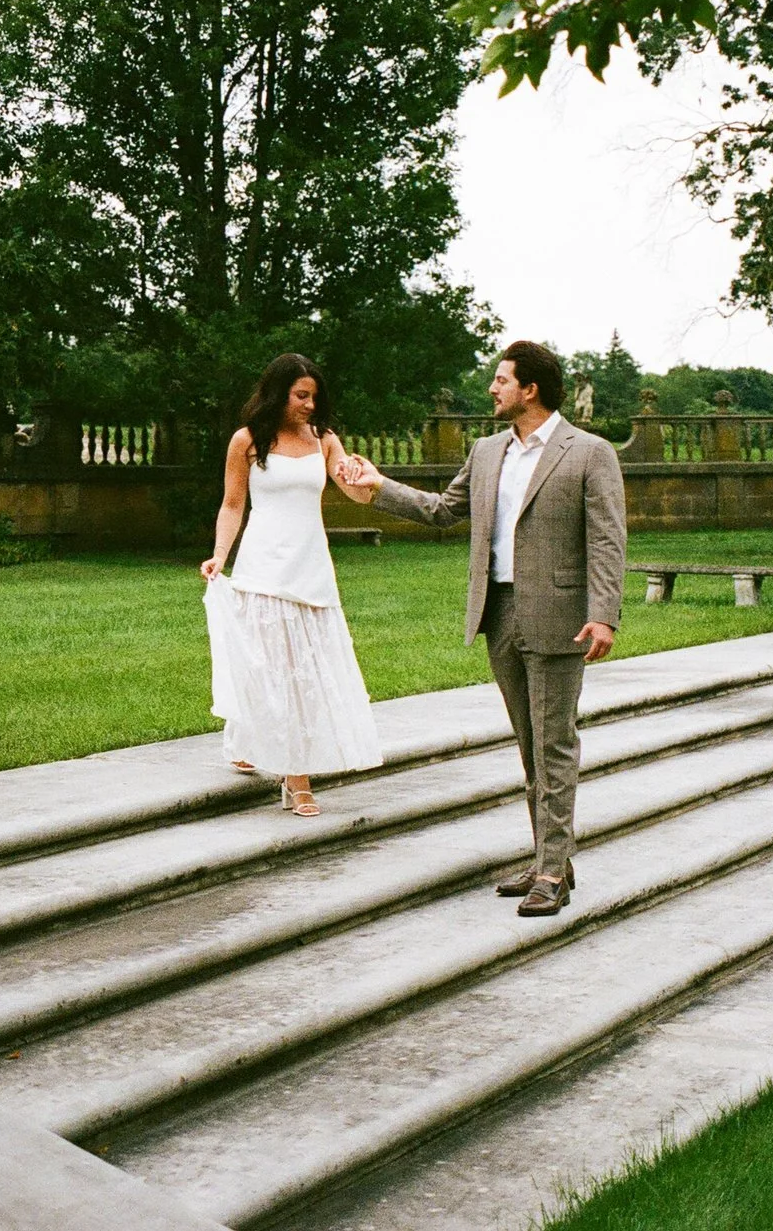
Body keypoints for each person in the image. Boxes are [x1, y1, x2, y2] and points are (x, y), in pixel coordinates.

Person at [339, 340, 626, 916]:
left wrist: (603, 613)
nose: (492, 388)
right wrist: (378, 486)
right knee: (529, 742)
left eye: (501, 380)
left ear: (530, 389)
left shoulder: (589, 452)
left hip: (561, 616)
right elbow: (444, 510)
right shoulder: (488, 451)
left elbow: (607, 537)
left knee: (554, 743)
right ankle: (550, 858)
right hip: (498, 611)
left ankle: (552, 872)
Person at [201, 353, 383, 816]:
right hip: (264, 565)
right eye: (301, 395)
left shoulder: (325, 440)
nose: (309, 404)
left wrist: (365, 481)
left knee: (302, 673)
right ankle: (296, 779)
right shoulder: (247, 440)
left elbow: (356, 493)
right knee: (271, 666)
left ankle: (265, 750)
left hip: (311, 566)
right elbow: (232, 504)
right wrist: (220, 555)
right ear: (278, 393)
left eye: (314, 397)